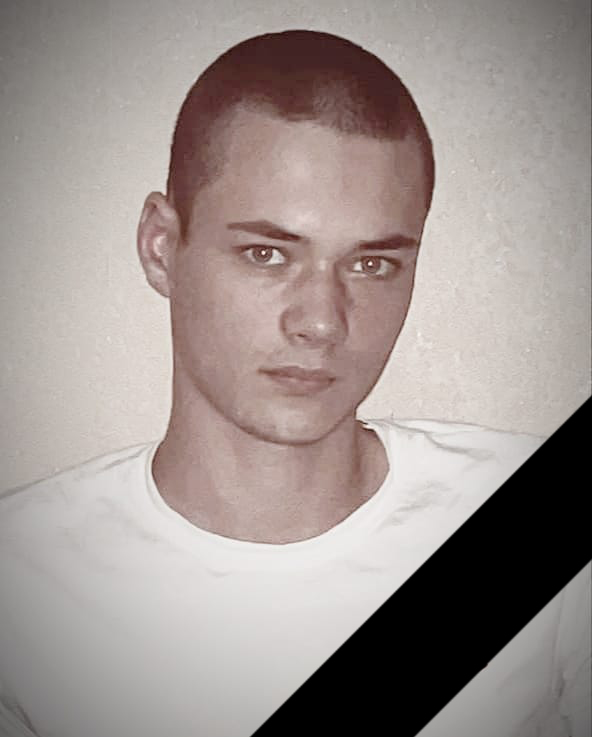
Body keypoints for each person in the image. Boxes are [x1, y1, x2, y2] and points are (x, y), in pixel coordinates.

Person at [0, 30, 588, 737]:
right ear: (161, 247)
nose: (321, 322)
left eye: (372, 265)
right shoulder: (21, 585)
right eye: (266, 253)